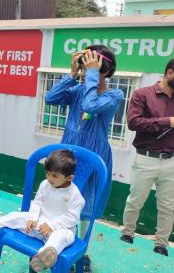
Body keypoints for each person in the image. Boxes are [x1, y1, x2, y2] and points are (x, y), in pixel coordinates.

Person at [44, 45, 123, 272]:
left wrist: (89, 74)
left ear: (104, 71)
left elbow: (90, 105)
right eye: (84, 64)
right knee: (60, 202)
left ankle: (82, 252)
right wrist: (71, 73)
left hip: (94, 159)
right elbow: (51, 98)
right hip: (68, 156)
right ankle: (56, 244)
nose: (86, 70)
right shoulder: (78, 90)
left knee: (85, 208)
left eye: (91, 66)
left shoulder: (113, 95)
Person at [0, 150, 84, 272]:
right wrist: (33, 218)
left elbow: (72, 218)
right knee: (15, 216)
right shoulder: (45, 184)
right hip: (40, 225)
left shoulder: (75, 195)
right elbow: (37, 203)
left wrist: (52, 226)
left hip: (62, 229)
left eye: (54, 176)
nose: (49, 178)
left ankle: (42, 258)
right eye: (47, 173)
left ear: (69, 178)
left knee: (60, 237)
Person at [120, 58, 174, 257]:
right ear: (170, 73)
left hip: (171, 160)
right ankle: (127, 233)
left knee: (168, 206)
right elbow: (134, 122)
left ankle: (161, 244)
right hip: (146, 158)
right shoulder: (142, 94)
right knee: (135, 200)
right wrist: (167, 121)